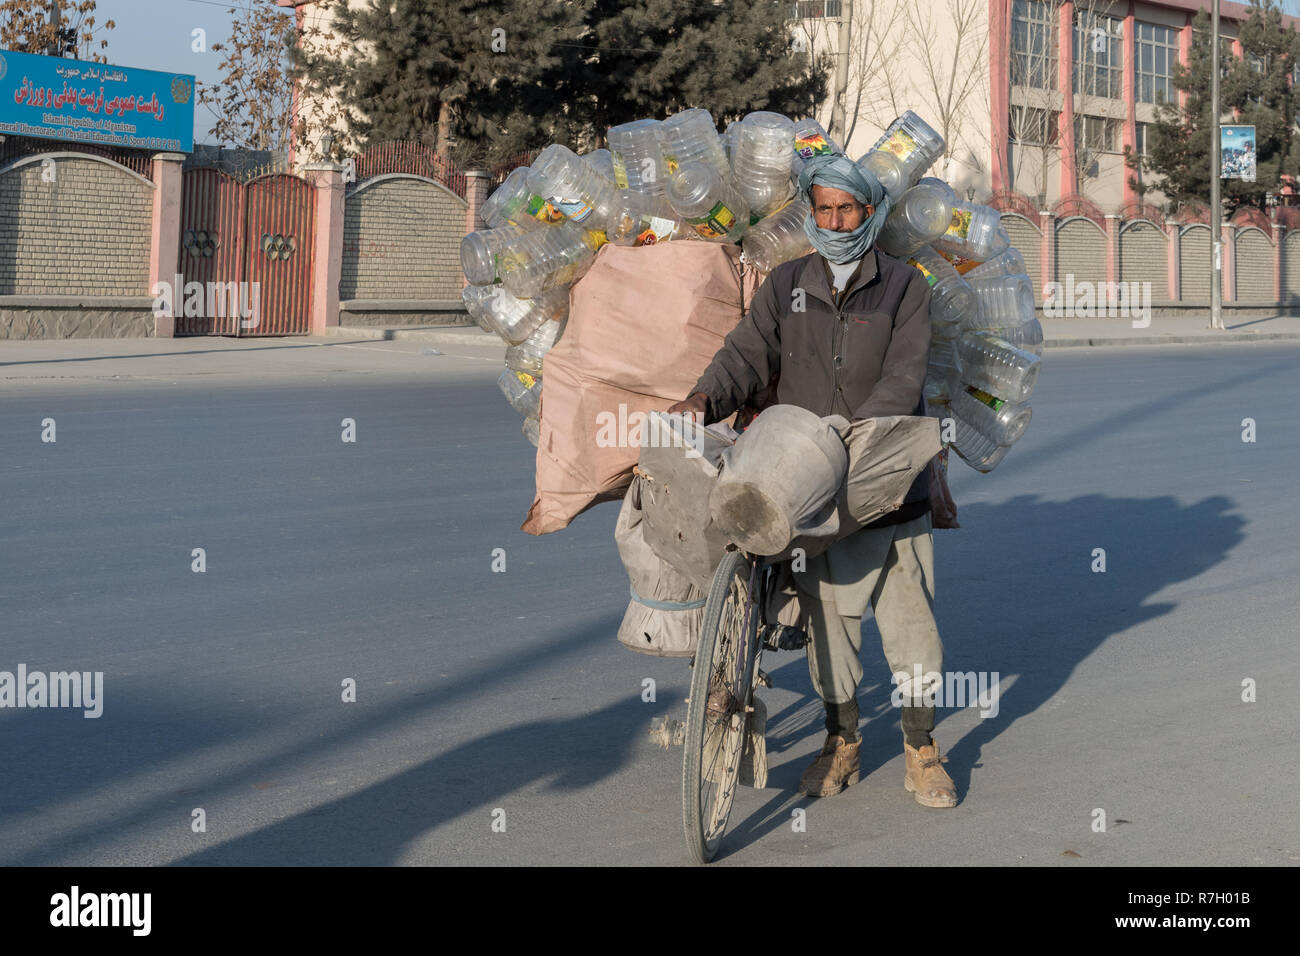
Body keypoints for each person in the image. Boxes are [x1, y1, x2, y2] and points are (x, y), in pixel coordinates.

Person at [666, 153, 957, 808]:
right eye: (823, 209)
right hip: (809, 493)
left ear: (869, 213)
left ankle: (921, 747)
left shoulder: (904, 288)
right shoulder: (787, 282)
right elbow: (748, 352)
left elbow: (903, 379)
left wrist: (849, 439)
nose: (834, 221)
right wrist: (702, 399)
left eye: (846, 209)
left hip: (886, 486)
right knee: (831, 629)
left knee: (912, 627)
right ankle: (842, 742)